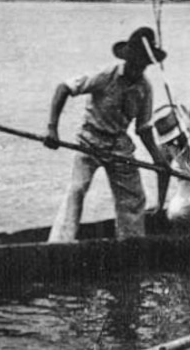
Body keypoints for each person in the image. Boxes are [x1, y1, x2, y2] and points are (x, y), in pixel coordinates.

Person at [44, 26, 169, 242]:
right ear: (129, 58)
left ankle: (132, 243)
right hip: (90, 141)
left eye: (144, 64)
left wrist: (158, 159)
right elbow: (64, 88)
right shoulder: (105, 75)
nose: (139, 68)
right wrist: (52, 128)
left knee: (134, 198)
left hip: (119, 146)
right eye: (137, 62)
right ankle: (60, 243)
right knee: (77, 190)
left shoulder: (144, 88)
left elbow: (144, 128)